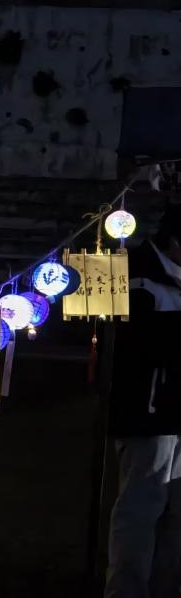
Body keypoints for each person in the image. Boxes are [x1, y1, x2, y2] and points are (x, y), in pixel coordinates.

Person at [106, 205, 181, 598]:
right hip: (147, 412)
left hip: (172, 408)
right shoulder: (138, 275)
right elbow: (139, 342)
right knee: (140, 508)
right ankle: (127, 590)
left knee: (175, 514)